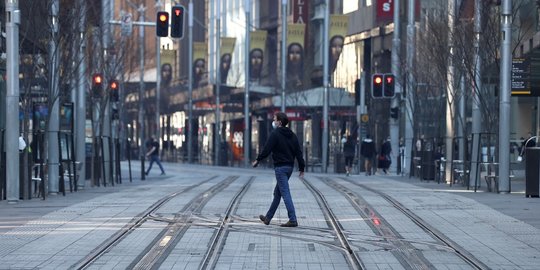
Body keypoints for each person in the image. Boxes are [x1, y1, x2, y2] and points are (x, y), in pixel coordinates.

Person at [253, 112, 305, 227]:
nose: (274, 121)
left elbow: (267, 149)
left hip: (280, 168)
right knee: (278, 193)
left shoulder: (275, 134)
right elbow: (298, 152)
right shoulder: (292, 135)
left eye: (275, 119)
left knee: (285, 193)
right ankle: (268, 217)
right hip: (289, 168)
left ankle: (293, 219)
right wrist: (302, 167)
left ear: (280, 122)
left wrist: (258, 160)